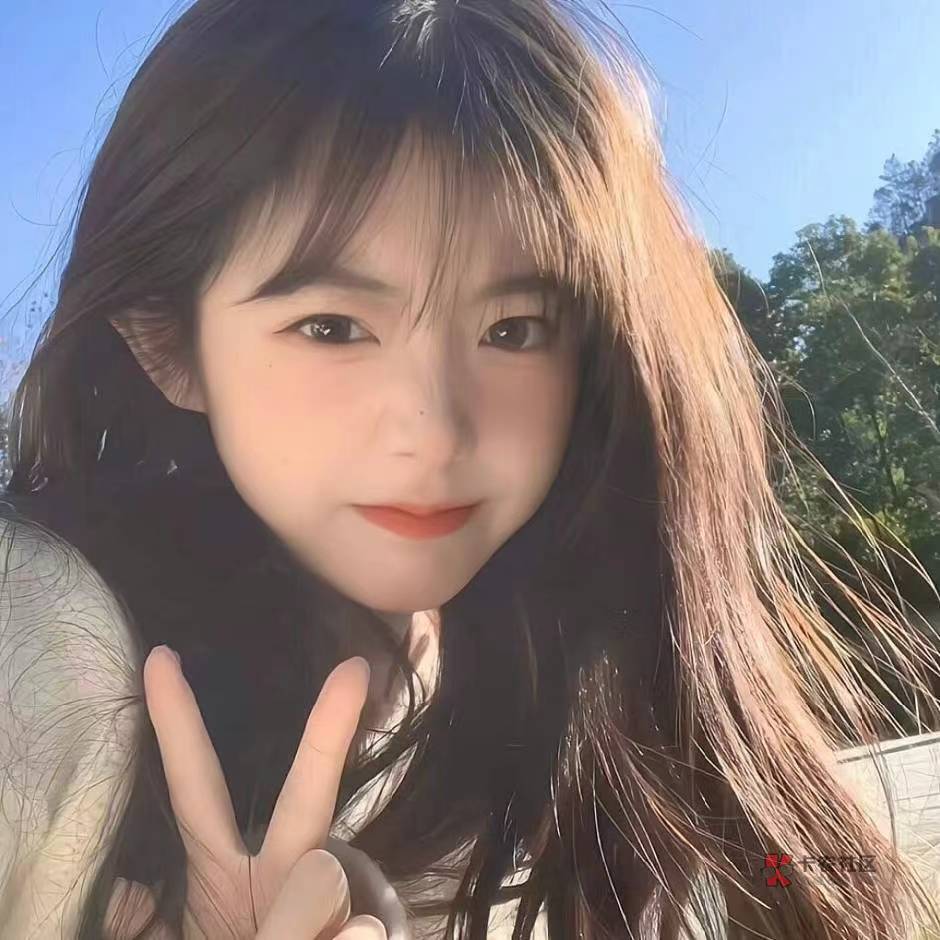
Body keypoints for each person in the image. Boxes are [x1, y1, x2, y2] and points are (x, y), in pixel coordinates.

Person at [1, 0, 939, 937]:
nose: (437, 430)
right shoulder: (39, 632)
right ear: (168, 342)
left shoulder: (579, 680)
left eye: (513, 330)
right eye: (332, 327)